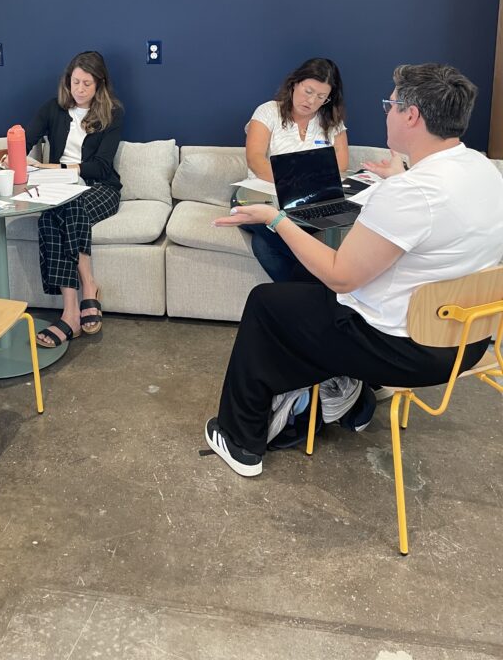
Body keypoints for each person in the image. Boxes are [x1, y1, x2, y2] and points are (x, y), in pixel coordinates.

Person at [207, 63, 503, 478]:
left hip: (406, 350)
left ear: (411, 115)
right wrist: (400, 175)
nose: (387, 113)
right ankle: (345, 391)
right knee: (306, 298)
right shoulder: (484, 170)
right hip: (469, 342)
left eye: (390, 105)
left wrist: (276, 219)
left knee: (267, 304)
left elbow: (341, 276)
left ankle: (239, 440)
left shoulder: (409, 193)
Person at [23, 51, 123, 348]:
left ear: (100, 84)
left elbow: (101, 167)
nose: (79, 89)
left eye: (86, 84)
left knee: (71, 206)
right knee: (49, 216)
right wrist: (14, 156)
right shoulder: (52, 108)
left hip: (101, 188)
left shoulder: (112, 113)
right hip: (61, 189)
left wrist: (55, 167)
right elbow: (26, 139)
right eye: (75, 82)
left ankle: (86, 290)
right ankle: (72, 310)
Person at [242, 57, 348, 282]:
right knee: (256, 220)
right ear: (294, 84)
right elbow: (255, 160)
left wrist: (306, 189)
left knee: (263, 245)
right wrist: (293, 185)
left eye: (321, 97)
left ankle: (307, 294)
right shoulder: (268, 111)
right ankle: (327, 280)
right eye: (308, 91)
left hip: (309, 203)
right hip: (265, 197)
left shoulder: (332, 122)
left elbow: (341, 165)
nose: (311, 101)